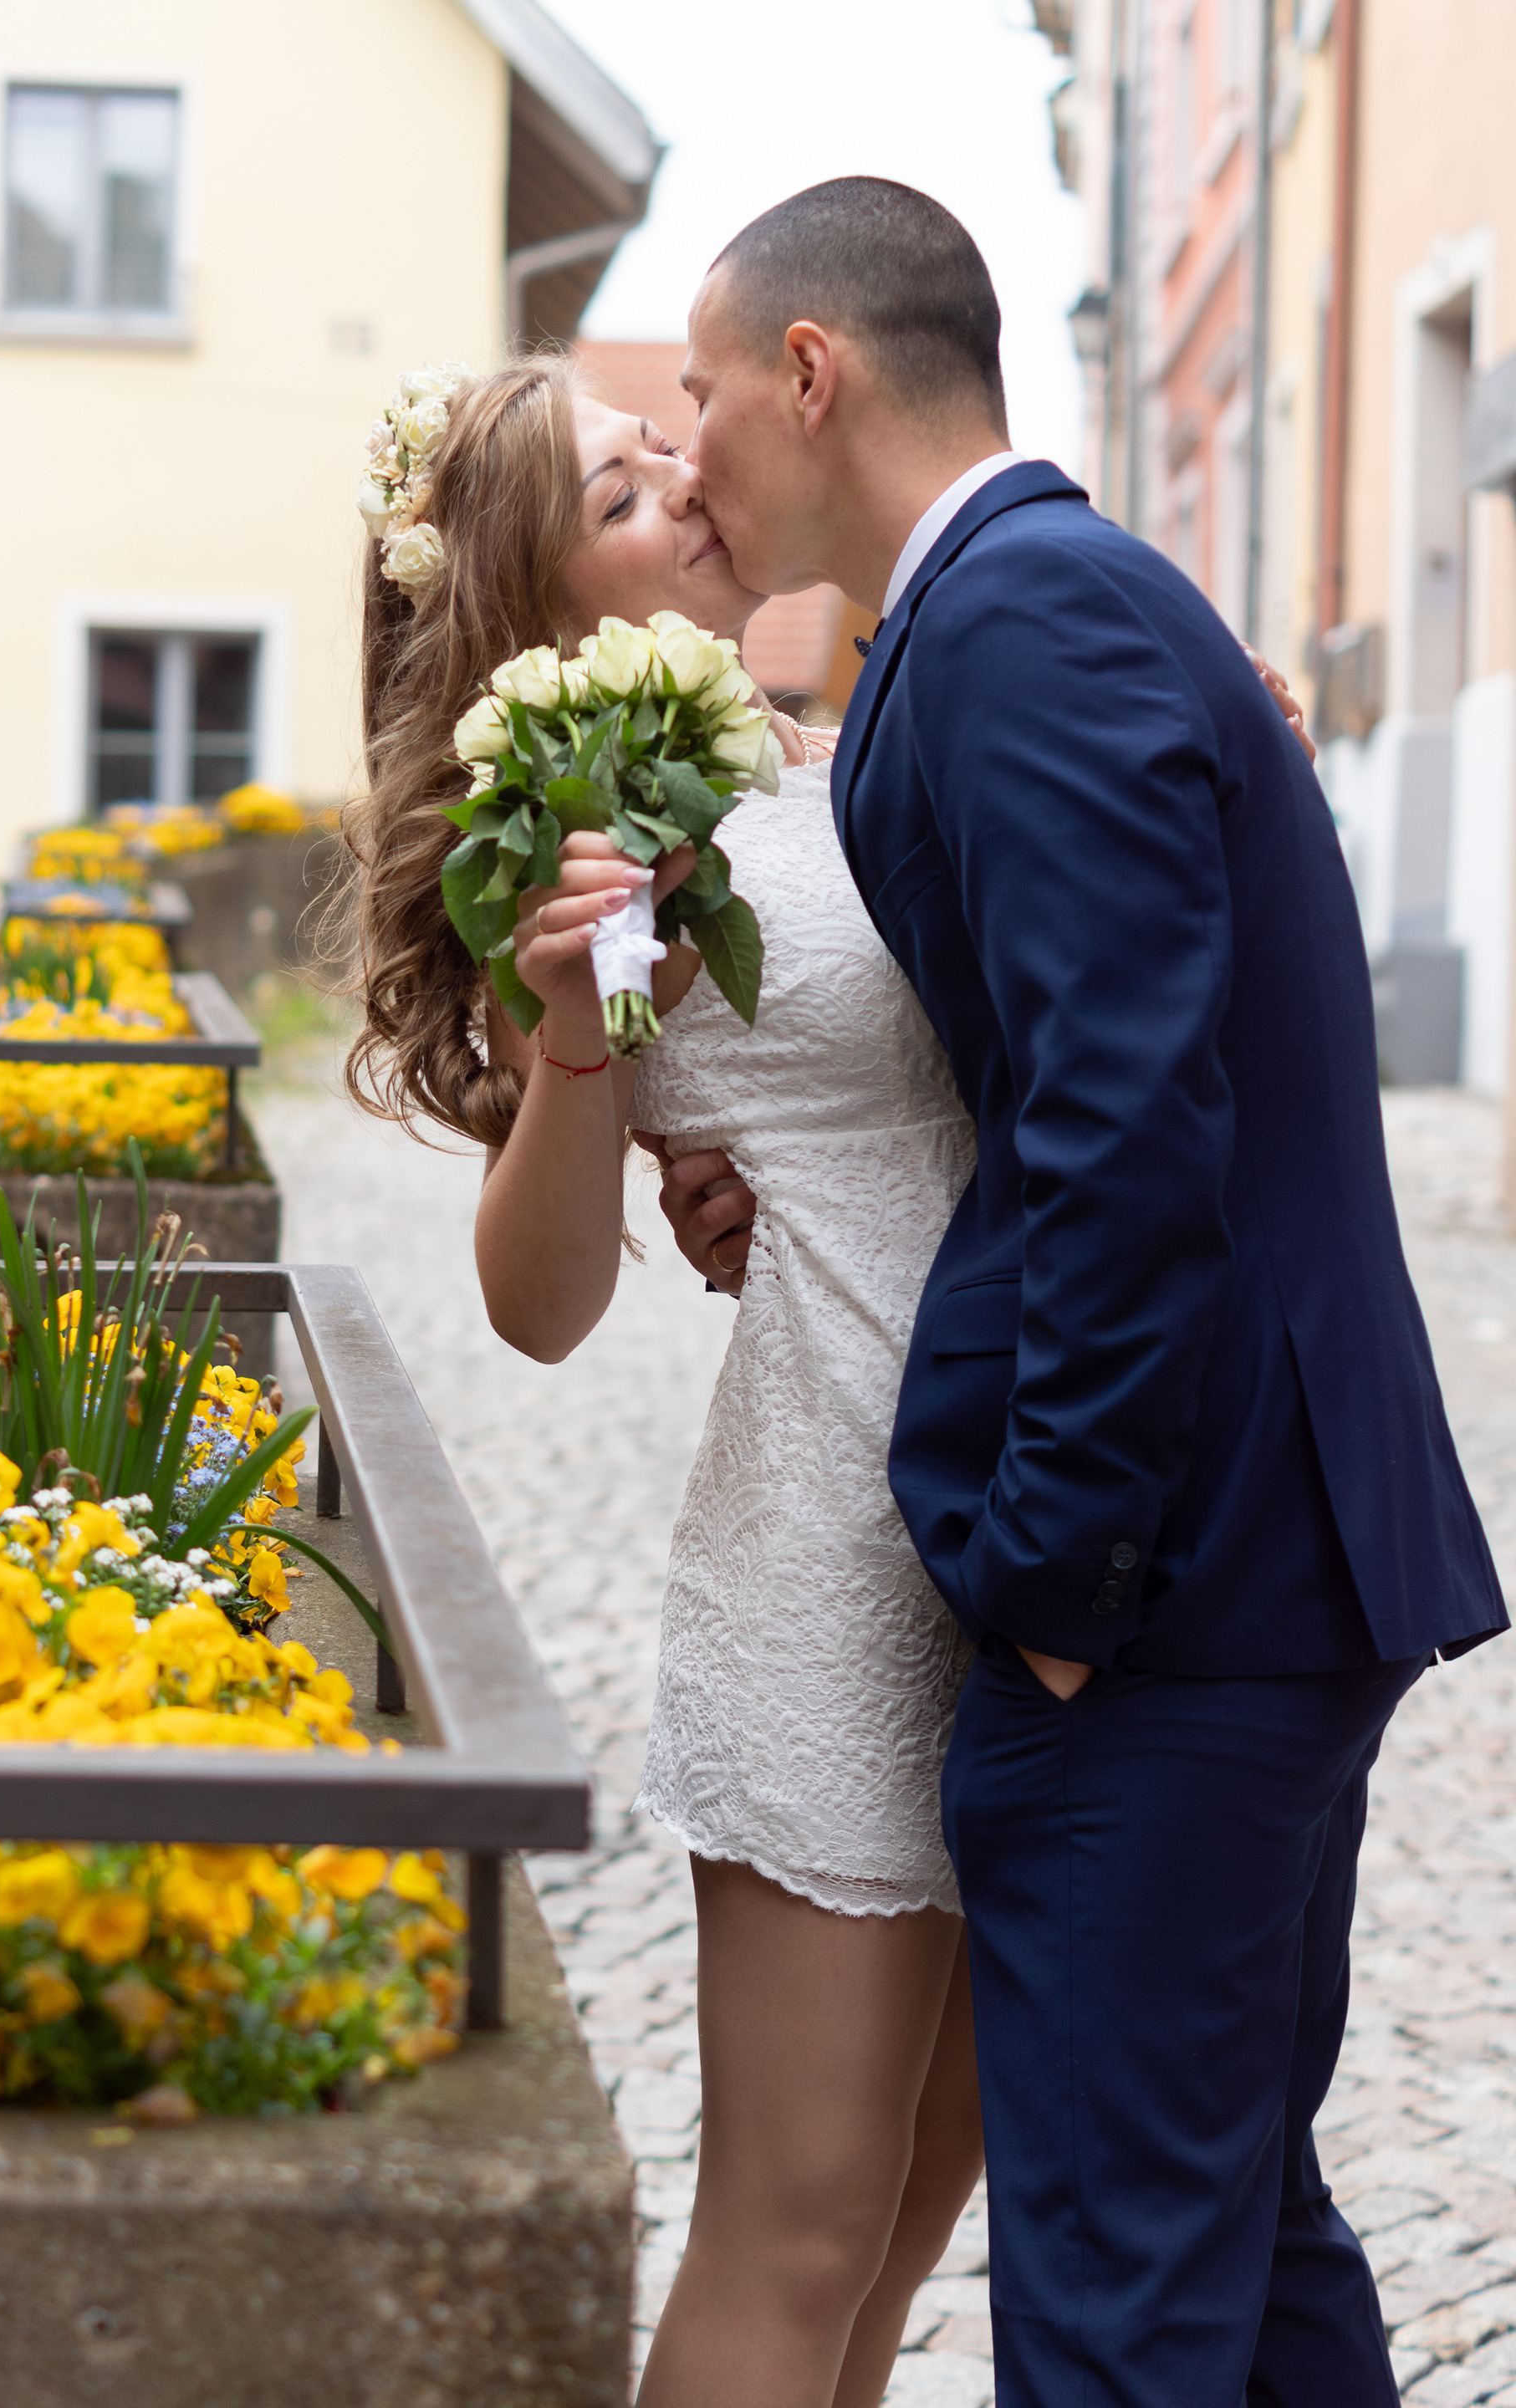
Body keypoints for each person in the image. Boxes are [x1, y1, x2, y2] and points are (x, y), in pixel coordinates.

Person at [342, 349, 1316, 2405]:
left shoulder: (832, 732)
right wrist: (586, 1042)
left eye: (660, 448)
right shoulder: (587, 848)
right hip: (832, 1555)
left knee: (910, 2217)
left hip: (1031, 1514)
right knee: (793, 2231)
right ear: (544, 603)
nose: (684, 477)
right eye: (622, 491)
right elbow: (537, 1303)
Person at [657, 176, 1508, 2408]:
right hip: (1245, 1577)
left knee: (1125, 2300)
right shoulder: (1034, 613)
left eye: (703, 390)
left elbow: (1127, 1131)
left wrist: (1057, 1570)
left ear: (813, 375)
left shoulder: (1027, 620)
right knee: (1238, 2238)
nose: (691, 448)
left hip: (1171, 1593)